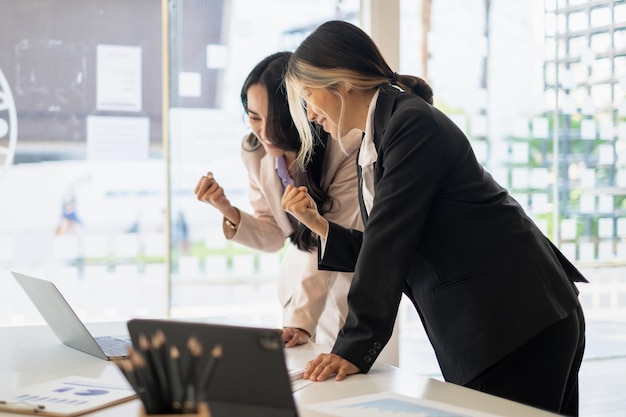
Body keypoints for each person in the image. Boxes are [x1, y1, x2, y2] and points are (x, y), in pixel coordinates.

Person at [280, 20, 587, 416]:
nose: (310, 113)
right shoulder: (376, 141)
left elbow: (389, 244)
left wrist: (354, 346)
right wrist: (319, 224)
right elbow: (385, 240)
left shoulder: (410, 124)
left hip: (515, 322)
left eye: (309, 96)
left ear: (341, 82)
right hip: (504, 324)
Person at [194, 51, 363, 348]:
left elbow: (329, 238)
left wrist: (300, 322)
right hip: (298, 285)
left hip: (342, 279)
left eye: (273, 120)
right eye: (253, 118)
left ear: (300, 112)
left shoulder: (344, 148)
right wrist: (226, 209)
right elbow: (273, 235)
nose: (263, 132)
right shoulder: (254, 150)